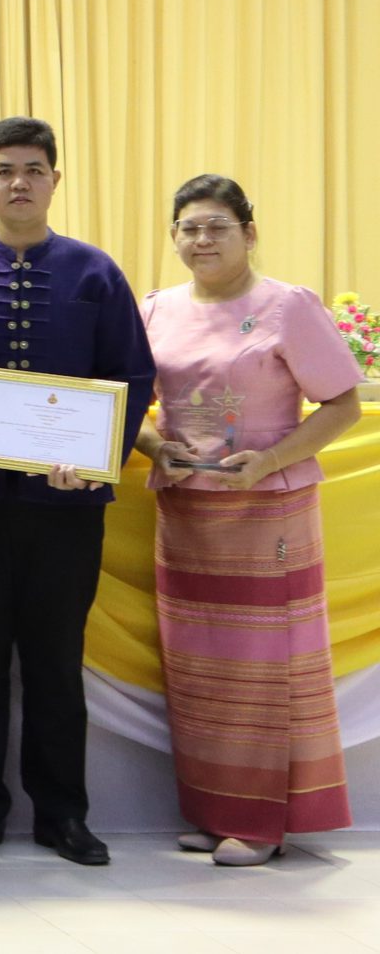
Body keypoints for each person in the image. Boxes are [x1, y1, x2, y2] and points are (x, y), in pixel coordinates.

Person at [0, 118, 153, 867]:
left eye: (33, 169)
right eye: (3, 170)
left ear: (56, 179)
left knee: (57, 663)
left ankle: (64, 815)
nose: (18, 182)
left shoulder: (95, 272)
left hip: (67, 509)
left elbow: (133, 376)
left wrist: (96, 460)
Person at [133, 175, 360, 866]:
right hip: (187, 515)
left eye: (217, 227)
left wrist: (270, 461)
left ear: (249, 233)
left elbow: (343, 405)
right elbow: (126, 404)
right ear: (174, 236)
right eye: (189, 228)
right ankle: (214, 811)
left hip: (268, 511)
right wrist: (155, 448)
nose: (201, 240)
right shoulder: (156, 309)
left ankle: (260, 824)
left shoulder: (287, 306)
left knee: (262, 668)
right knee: (198, 669)